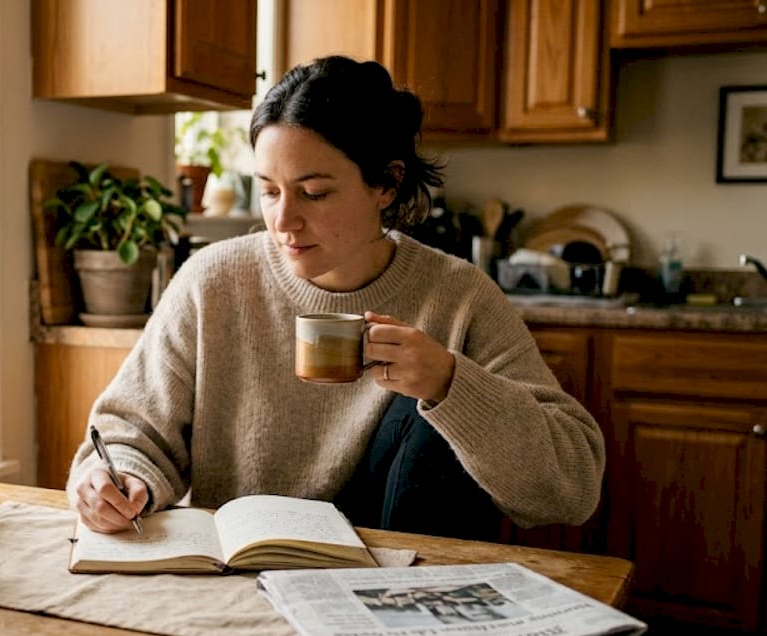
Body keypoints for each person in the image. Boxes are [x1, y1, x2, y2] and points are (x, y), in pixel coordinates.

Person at [66, 55, 605, 539]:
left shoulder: (458, 296)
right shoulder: (212, 281)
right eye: (270, 190)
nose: (283, 221)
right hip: (240, 571)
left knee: (437, 416)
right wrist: (115, 478)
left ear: (387, 184)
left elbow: (573, 487)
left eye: (314, 193)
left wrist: (449, 382)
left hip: (398, 588)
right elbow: (128, 431)